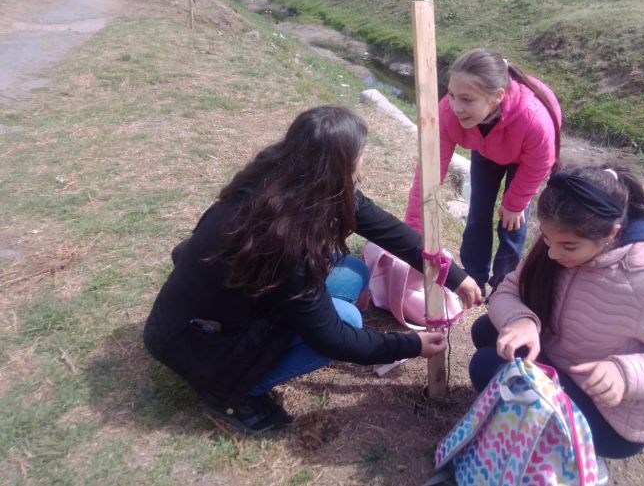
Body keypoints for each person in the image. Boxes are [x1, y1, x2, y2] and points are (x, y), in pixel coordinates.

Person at [143, 106, 482, 434]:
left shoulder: (291, 179)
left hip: (226, 306)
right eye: (360, 153)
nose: (364, 160)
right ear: (339, 164)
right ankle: (240, 390)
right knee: (347, 319)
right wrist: (411, 345)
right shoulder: (285, 238)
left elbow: (390, 231)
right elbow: (334, 339)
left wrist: (454, 275)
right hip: (202, 345)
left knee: (352, 274)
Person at [469, 165, 644, 483]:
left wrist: (624, 373)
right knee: (486, 330)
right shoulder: (561, 238)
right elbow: (509, 289)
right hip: (564, 362)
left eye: (568, 246)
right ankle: (552, 430)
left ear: (611, 233)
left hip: (611, 417)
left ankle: (580, 457)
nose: (553, 252)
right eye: (546, 237)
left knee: (485, 365)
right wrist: (522, 320)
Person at [405, 48, 561, 295]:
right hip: (485, 149)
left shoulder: (534, 119)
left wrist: (515, 203)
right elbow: (429, 173)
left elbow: (540, 163)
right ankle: (473, 278)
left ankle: (504, 283)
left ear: (498, 96)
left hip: (525, 159)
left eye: (466, 99)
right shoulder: (447, 112)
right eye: (452, 95)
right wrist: (414, 229)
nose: (456, 106)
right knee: (479, 210)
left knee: (512, 221)